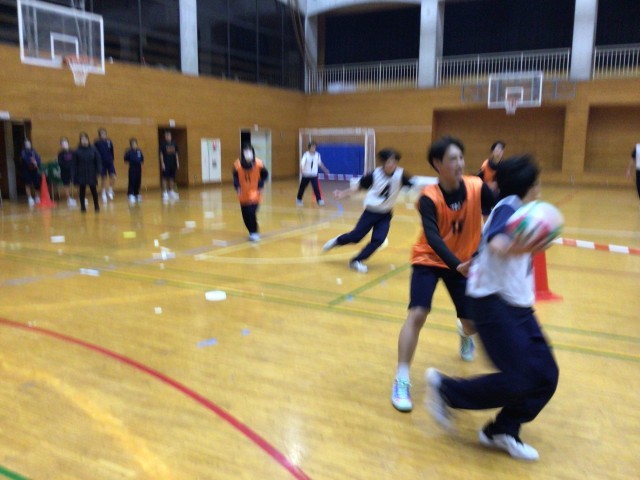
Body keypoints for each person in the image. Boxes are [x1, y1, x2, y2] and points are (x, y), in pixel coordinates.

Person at [425, 155, 559, 462]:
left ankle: (502, 430)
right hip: (492, 304)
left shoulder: (519, 210)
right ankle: (446, 389)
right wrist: (528, 245)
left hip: (517, 305)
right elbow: (499, 243)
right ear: (529, 186)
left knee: (546, 375)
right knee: (519, 377)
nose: (539, 188)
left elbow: (491, 246)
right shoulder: (509, 207)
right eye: (537, 183)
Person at [391, 136, 495, 413]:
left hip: (464, 262)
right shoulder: (429, 197)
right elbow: (433, 236)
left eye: (461, 157)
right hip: (429, 259)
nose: (459, 163)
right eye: (452, 159)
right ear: (437, 164)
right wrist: (456, 264)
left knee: (471, 324)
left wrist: (484, 250)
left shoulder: (477, 186)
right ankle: (401, 379)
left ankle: (463, 332)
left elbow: (499, 213)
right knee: (418, 313)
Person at [322, 148, 414, 273]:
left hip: (385, 214)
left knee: (378, 240)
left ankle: (356, 261)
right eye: (389, 162)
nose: (392, 165)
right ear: (383, 162)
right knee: (356, 237)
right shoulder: (374, 175)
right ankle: (337, 241)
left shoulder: (401, 175)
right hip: (371, 212)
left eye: (394, 162)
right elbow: (358, 188)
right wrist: (342, 193)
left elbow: (414, 185)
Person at [233, 143, 269, 241]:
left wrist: (261, 183)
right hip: (243, 193)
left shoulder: (259, 163)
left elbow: (265, 175)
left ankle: (254, 231)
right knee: (245, 215)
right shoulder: (237, 164)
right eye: (246, 151)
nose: (248, 153)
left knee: (251, 212)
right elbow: (235, 177)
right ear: (242, 153)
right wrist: (237, 186)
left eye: (249, 151)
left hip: (255, 192)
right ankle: (251, 231)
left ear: (252, 152)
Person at [74, 132, 102, 213]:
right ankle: (82, 206)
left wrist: (98, 171)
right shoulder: (77, 151)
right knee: (82, 190)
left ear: (88, 140)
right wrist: (74, 175)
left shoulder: (93, 149)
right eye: (82, 139)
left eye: (85, 139)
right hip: (81, 173)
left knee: (93, 190)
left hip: (91, 172)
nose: (84, 141)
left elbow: (98, 161)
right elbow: (74, 164)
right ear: (80, 141)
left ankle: (96, 205)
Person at [296, 141, 330, 207]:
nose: (313, 148)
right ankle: (299, 199)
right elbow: (302, 164)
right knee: (302, 187)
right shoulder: (306, 155)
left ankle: (319, 200)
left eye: (314, 147)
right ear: (309, 148)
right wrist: (301, 169)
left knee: (316, 187)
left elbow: (320, 163)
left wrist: (325, 170)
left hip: (314, 175)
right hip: (306, 175)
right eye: (312, 147)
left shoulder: (317, 155)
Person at [94, 128, 116, 203]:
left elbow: (112, 151)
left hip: (109, 162)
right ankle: (103, 192)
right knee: (103, 178)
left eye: (104, 133)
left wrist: (111, 159)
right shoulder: (97, 143)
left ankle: (110, 190)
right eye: (101, 133)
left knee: (113, 176)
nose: (103, 135)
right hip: (101, 163)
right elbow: (95, 153)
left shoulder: (109, 142)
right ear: (99, 135)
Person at [20, 139, 42, 207]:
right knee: (28, 184)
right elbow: (25, 159)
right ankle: (30, 198)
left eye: (29, 144)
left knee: (37, 183)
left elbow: (38, 158)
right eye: (26, 144)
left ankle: (37, 197)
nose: (28, 145)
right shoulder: (23, 152)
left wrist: (37, 163)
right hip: (26, 170)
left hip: (34, 170)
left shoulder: (34, 151)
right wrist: (32, 162)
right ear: (25, 145)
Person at [160, 130, 180, 202]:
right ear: (165, 136)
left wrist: (177, 162)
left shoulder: (174, 143)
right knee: (165, 177)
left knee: (172, 177)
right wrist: (162, 163)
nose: (168, 136)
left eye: (169, 135)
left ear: (171, 136)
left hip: (173, 163)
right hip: (166, 163)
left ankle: (171, 191)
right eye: (166, 135)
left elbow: (176, 153)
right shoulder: (162, 144)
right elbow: (161, 154)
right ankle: (165, 192)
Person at [57, 137, 77, 208]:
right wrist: (66, 166)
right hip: (65, 171)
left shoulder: (73, 152)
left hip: (73, 170)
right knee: (66, 184)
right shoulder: (60, 153)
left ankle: (80, 197)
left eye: (65, 143)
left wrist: (74, 167)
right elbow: (60, 162)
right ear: (61, 145)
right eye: (62, 144)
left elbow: (75, 160)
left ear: (68, 143)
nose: (64, 145)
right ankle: (69, 199)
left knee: (76, 183)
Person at [124, 138, 144, 205]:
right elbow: (125, 159)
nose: (134, 145)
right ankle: (130, 194)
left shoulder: (139, 151)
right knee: (132, 180)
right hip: (132, 168)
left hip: (138, 168)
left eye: (135, 144)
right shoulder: (128, 151)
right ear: (131, 145)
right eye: (133, 144)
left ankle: (136, 193)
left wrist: (139, 161)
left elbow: (142, 159)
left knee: (138, 180)